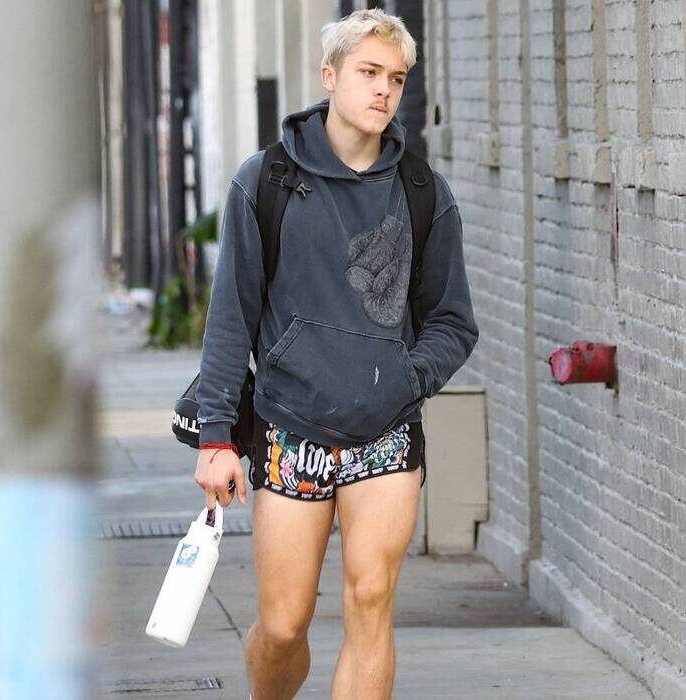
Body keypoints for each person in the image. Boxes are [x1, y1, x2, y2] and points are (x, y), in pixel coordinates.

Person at [194, 8, 478, 699]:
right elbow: (231, 318)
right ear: (330, 75)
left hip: (385, 431)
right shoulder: (265, 181)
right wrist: (215, 437)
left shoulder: (421, 193)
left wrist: (405, 379)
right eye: (369, 72)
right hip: (292, 427)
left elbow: (452, 321)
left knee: (370, 599)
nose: (384, 90)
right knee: (283, 624)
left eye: (397, 79)